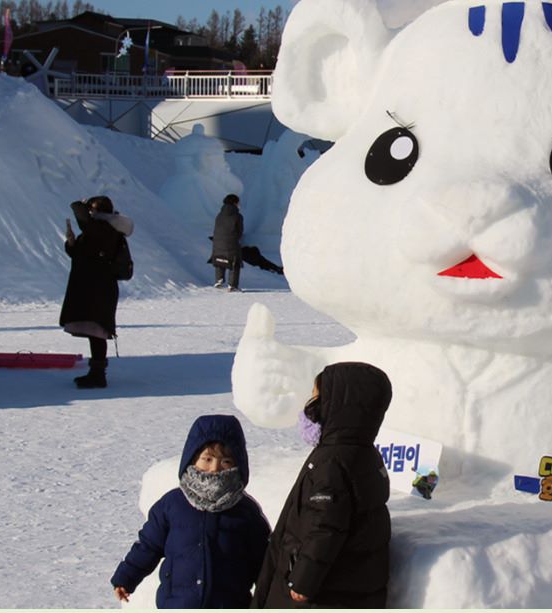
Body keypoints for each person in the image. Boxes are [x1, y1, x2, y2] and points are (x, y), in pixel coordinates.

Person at [254, 363, 393, 608]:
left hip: (319, 593)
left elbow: (326, 526)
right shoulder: (361, 453)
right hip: (347, 587)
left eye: (318, 398)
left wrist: (303, 580)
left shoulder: (332, 461)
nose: (311, 405)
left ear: (339, 407)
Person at [111, 415, 270, 606]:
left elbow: (264, 563)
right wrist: (126, 577)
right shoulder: (172, 504)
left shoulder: (245, 511)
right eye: (207, 459)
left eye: (226, 461)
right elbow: (148, 546)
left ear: (238, 463)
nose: (215, 468)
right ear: (192, 458)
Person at [60, 196, 132, 388]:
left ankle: (98, 375)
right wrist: (72, 244)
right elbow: (81, 255)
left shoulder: (105, 229)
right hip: (93, 287)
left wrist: (79, 204)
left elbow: (83, 219)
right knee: (95, 332)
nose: (89, 214)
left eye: (92, 210)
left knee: (98, 331)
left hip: (99, 288)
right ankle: (96, 373)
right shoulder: (100, 229)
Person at [211, 194, 244, 292]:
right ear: (235, 203)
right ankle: (232, 285)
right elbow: (240, 231)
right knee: (234, 263)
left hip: (217, 243)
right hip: (231, 243)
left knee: (220, 259)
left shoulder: (219, 215)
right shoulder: (237, 216)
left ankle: (219, 280)